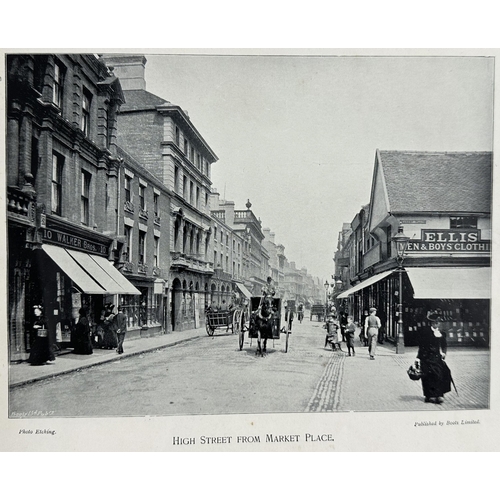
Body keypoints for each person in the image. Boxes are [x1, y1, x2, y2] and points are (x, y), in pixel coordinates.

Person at [415, 310, 452, 404]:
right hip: (426, 357)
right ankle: (429, 395)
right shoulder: (425, 332)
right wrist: (418, 357)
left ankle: (439, 394)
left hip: (437, 357)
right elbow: (422, 345)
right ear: (432, 323)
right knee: (428, 376)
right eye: (435, 322)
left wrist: (444, 352)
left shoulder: (442, 333)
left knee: (440, 374)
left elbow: (444, 345)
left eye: (438, 323)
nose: (437, 324)